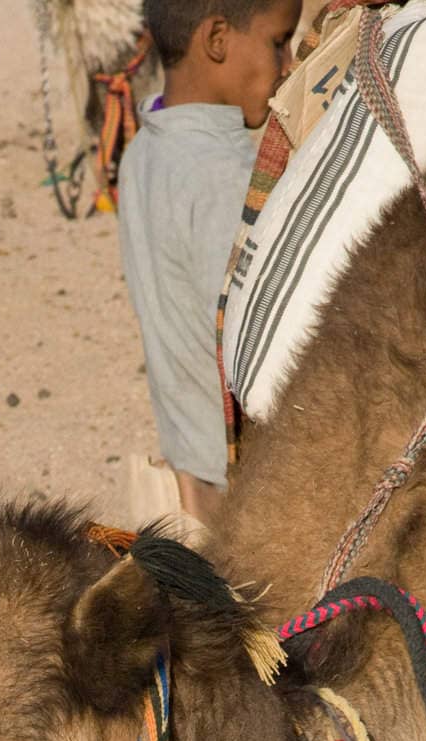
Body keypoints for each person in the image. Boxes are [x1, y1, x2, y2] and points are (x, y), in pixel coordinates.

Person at [118, 0, 301, 528]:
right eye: (278, 41)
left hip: (186, 475)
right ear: (217, 39)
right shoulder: (228, 181)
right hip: (244, 495)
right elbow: (261, 358)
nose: (288, 64)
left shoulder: (143, 154)